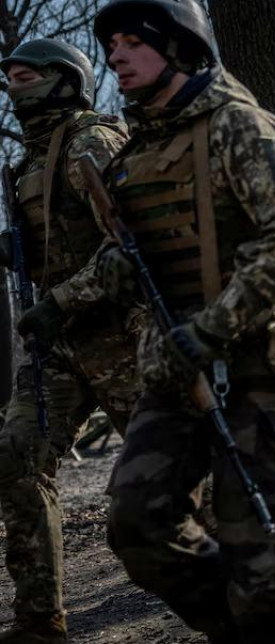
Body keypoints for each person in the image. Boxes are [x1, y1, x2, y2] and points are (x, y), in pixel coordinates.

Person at [93, 1, 275, 641]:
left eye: (130, 41)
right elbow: (132, 256)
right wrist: (110, 273)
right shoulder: (135, 153)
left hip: (259, 365)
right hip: (174, 371)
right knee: (137, 524)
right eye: (110, 44)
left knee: (255, 555)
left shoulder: (239, 127)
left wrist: (212, 326)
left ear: (178, 46)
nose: (114, 55)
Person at [0, 39, 139, 643]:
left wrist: (60, 301)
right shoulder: (27, 162)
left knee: (177, 475)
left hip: (122, 337)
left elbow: (132, 249)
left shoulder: (93, 140)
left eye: (25, 77)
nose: (13, 89)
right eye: (8, 81)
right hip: (55, 349)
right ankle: (40, 621)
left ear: (64, 80)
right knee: (16, 457)